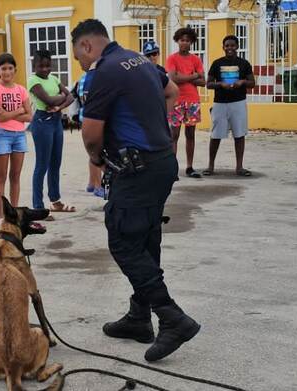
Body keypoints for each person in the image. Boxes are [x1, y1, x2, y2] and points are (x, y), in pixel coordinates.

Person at [72, 19, 199, 362]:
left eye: (80, 58)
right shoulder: (140, 61)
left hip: (136, 169)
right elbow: (171, 92)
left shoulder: (104, 72)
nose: (82, 65)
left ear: (87, 46)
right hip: (161, 162)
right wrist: (157, 127)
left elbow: (90, 133)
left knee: (124, 241)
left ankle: (172, 319)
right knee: (145, 238)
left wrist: (97, 159)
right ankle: (139, 318)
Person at [27, 49, 77, 213]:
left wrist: (59, 106)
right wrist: (60, 97)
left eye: (48, 66)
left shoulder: (54, 78)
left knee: (55, 163)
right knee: (42, 165)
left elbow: (71, 96)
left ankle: (55, 201)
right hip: (42, 122)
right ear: (34, 65)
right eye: (41, 66)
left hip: (56, 121)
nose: (45, 69)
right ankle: (38, 206)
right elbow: (47, 99)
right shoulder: (33, 81)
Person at [0, 53, 33, 220]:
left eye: (10, 68)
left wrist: (10, 114)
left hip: (19, 135)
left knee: (15, 175)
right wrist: (19, 110)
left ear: (15, 70)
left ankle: (13, 213)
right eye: (3, 68)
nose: (7, 72)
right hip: (2, 136)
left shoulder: (21, 90)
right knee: (1, 175)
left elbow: (30, 116)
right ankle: (2, 216)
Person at [205, 35, 255, 177]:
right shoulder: (216, 63)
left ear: (237, 47)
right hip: (220, 103)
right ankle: (210, 166)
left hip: (238, 102)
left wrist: (243, 82)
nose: (230, 48)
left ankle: (239, 167)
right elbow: (208, 84)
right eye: (227, 46)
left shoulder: (244, 63)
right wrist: (220, 84)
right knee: (215, 135)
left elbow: (252, 83)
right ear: (223, 47)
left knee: (239, 134)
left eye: (232, 45)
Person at [166, 27, 206, 179]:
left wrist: (185, 76)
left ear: (192, 42)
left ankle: (189, 167)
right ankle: (172, 168)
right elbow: (172, 78)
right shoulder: (172, 59)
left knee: (191, 134)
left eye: (187, 40)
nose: (184, 43)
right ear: (177, 41)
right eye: (182, 40)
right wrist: (193, 75)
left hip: (192, 101)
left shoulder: (195, 59)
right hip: (176, 100)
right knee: (173, 134)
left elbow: (203, 81)